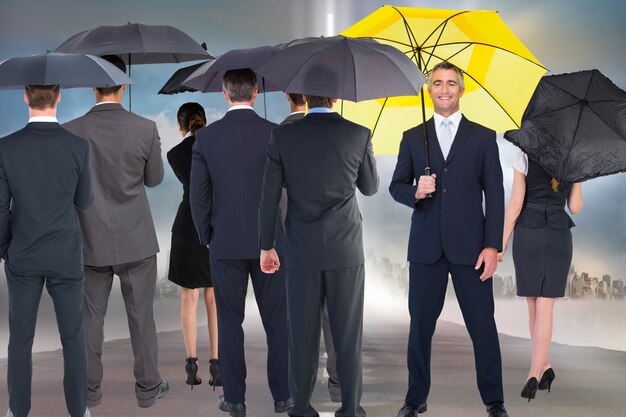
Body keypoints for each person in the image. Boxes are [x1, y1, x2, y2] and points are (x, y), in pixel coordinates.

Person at [389, 61, 508, 417]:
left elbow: (495, 195)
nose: (444, 89)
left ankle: (494, 400)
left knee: (483, 325)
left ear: (462, 89)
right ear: (429, 89)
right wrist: (415, 191)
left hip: (472, 248)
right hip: (426, 247)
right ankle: (415, 398)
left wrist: (493, 246)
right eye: (437, 83)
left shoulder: (484, 137)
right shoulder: (413, 137)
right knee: (419, 328)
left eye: (451, 84)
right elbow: (395, 186)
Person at [259, 88, 379, 417]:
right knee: (348, 334)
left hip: (301, 251)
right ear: (335, 98)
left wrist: (266, 246)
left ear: (304, 99)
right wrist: (365, 149)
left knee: (302, 336)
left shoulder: (282, 137)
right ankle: (351, 409)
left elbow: (268, 198)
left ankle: (300, 408)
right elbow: (370, 187)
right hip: (346, 252)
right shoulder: (358, 134)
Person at [63, 55, 168, 409]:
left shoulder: (71, 131)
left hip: (89, 242)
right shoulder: (145, 127)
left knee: (90, 320)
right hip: (136, 240)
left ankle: (89, 392)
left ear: (94, 87)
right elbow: (154, 181)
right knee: (142, 318)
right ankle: (148, 389)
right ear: (123, 86)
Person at [190, 68, 291, 417]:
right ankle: (283, 396)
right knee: (278, 321)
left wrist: (206, 237)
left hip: (225, 243)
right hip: (272, 245)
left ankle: (234, 399)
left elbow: (198, 197)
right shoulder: (276, 134)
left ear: (224, 93)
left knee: (230, 322)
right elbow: (288, 192)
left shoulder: (206, 139)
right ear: (256, 93)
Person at [0, 85, 93, 417]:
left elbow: (0, 210)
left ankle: (17, 411)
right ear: (59, 96)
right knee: (73, 337)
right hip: (66, 256)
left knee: (20, 340)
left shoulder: (5, 147)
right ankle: (78, 411)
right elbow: (85, 202)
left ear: (25, 97)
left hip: (22, 255)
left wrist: (5, 249)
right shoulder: (78, 147)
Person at [499, 151, 583, 400]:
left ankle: (533, 373)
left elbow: (515, 203)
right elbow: (576, 207)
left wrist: (501, 243)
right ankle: (544, 368)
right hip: (558, 233)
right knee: (546, 306)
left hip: (528, 232)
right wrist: (577, 175)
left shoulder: (523, 152)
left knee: (534, 306)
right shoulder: (572, 156)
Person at [280, 92, 341, 402]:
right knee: (333, 314)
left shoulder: (280, 135)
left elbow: (273, 196)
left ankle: (299, 389)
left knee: (298, 316)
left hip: (295, 240)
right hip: (336, 240)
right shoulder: (345, 133)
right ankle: (337, 382)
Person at [166, 102, 221, 390]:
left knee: (189, 298)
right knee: (214, 299)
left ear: (180, 125)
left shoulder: (175, 154)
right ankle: (217, 363)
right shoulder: (218, 146)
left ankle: (191, 363)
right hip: (216, 226)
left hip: (187, 226)